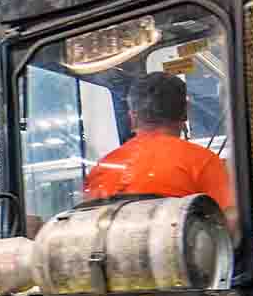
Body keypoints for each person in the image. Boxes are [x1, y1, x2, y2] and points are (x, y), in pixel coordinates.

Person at [83, 72, 237, 238]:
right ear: (184, 113)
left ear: (132, 118)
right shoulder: (203, 161)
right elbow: (230, 223)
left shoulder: (102, 168)